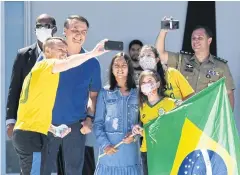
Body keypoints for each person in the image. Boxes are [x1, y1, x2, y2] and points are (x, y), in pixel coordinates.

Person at [12, 37, 109, 175]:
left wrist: (54, 129)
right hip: (30, 135)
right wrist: (93, 53)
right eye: (60, 49)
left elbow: (33, 114)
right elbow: (69, 63)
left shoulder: (42, 74)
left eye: (65, 50)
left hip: (29, 133)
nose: (64, 53)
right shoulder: (45, 65)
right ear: (47, 51)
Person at [42, 15, 101, 175]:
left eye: (83, 31)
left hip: (76, 126)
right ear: (65, 31)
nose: (79, 34)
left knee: (74, 171)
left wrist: (90, 119)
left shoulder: (92, 63)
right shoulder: (48, 58)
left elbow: (93, 95)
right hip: (47, 125)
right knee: (42, 169)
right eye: (75, 30)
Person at [155, 22, 235, 110]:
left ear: (209, 41)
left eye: (200, 38)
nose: (196, 41)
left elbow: (228, 94)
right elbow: (160, 54)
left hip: (207, 117)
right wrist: (163, 31)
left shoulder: (221, 66)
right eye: (193, 38)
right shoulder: (182, 60)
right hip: (184, 114)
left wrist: (226, 121)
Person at [6, 13, 57, 139]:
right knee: (33, 157)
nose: (42, 29)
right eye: (39, 26)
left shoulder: (62, 54)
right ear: (35, 30)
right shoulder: (23, 55)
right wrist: (10, 121)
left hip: (55, 120)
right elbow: (15, 88)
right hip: (29, 121)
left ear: (54, 29)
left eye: (47, 26)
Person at [94, 52, 142, 175]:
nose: (120, 68)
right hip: (109, 152)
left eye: (123, 65)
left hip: (130, 152)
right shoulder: (104, 92)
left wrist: (135, 136)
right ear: (111, 69)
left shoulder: (138, 93)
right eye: (116, 65)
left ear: (129, 68)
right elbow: (98, 123)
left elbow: (143, 122)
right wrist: (105, 145)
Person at [132, 69, 177, 175]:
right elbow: (147, 131)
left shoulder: (170, 103)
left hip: (165, 151)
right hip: (147, 151)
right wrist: (138, 130)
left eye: (150, 81)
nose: (146, 84)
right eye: (143, 82)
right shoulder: (142, 107)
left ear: (157, 84)